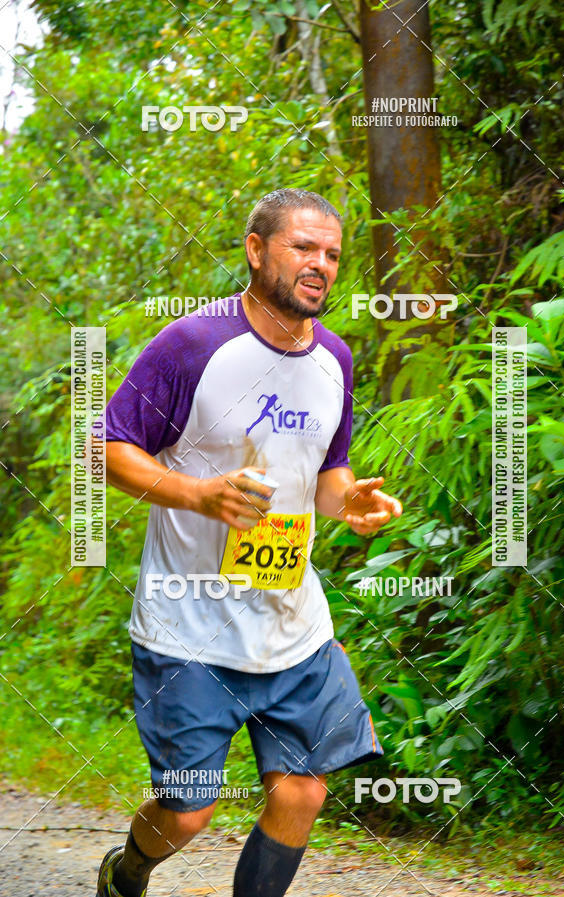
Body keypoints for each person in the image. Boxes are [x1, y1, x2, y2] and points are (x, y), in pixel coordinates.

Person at [96, 187, 402, 897]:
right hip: (188, 623)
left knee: (301, 793)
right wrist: (198, 493)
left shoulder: (334, 359)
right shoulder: (192, 343)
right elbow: (108, 448)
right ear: (256, 249)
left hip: (291, 622)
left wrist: (349, 501)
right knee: (190, 810)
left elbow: (326, 473)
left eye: (332, 254)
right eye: (304, 247)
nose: (321, 264)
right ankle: (129, 869)